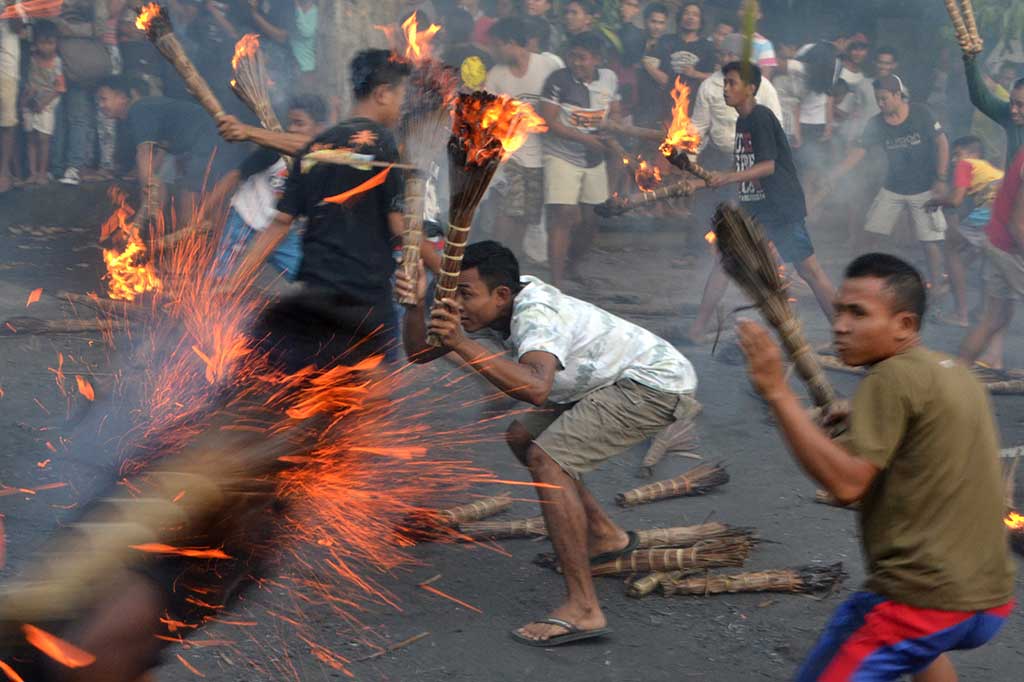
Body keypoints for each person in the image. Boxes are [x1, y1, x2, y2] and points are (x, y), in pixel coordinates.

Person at [396, 240, 699, 646]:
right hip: (610, 383)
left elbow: (537, 388)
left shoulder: (535, 314)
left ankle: (584, 608)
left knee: (548, 458)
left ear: (501, 294)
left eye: (465, 294)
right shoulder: (497, 304)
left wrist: (462, 343)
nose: (457, 304)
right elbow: (420, 353)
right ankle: (606, 537)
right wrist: (415, 305)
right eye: (452, 293)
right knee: (522, 436)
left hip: (654, 385)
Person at [737, 253, 1014, 682]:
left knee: (870, 641)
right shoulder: (950, 372)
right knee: (921, 654)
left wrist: (778, 392)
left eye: (858, 314)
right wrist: (860, 417)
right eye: (839, 311)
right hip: (988, 599)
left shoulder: (890, 379)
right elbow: (922, 436)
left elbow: (847, 485)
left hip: (921, 602)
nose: (841, 325)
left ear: (904, 325)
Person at [227, 49, 439, 366]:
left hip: (315, 299)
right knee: (369, 404)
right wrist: (445, 269)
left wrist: (233, 282)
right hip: (364, 303)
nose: (402, 106)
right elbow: (399, 227)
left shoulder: (315, 146)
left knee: (314, 397)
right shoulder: (382, 143)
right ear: (382, 94)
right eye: (401, 95)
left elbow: (278, 225)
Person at [688, 61, 835, 344]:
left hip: (779, 210)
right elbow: (749, 167)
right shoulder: (743, 120)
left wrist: (728, 177)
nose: (725, 89)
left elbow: (767, 166)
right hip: (756, 209)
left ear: (751, 88)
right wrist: (704, 182)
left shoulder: (760, 117)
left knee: (810, 272)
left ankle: (845, 336)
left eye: (732, 83)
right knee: (724, 262)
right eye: (725, 83)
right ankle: (697, 329)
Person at [825, 75, 950, 291]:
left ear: (898, 95)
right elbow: (859, 152)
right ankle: (864, 282)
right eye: (877, 100)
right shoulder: (876, 123)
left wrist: (941, 178)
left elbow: (943, 143)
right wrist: (835, 173)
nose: (881, 104)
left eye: (884, 99)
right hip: (893, 188)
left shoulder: (921, 113)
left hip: (925, 188)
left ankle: (938, 287)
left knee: (929, 242)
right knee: (871, 235)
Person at [208, 94, 329, 283]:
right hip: (244, 221)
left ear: (320, 129)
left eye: (299, 123)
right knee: (221, 279)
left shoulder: (325, 162)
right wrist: (203, 214)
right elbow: (234, 176)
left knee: (313, 278)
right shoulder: (274, 151)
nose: (291, 129)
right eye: (290, 122)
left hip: (281, 235)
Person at [96, 75, 242, 223]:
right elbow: (160, 151)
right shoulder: (148, 110)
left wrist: (147, 188)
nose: (100, 105)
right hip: (218, 142)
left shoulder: (138, 110)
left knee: (189, 197)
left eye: (103, 99)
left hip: (208, 142)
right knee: (205, 201)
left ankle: (188, 241)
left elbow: (144, 153)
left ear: (121, 97)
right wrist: (149, 182)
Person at [539, 31, 621, 288]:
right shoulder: (557, 80)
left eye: (582, 58)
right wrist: (585, 139)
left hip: (595, 159)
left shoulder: (609, 79)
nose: (576, 62)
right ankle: (556, 281)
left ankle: (572, 265)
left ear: (596, 59)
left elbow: (616, 112)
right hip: (561, 155)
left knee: (592, 218)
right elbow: (550, 121)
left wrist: (611, 128)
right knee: (563, 214)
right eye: (572, 56)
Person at [485, 17, 560, 256]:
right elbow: (487, 116)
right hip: (509, 155)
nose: (494, 50)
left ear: (511, 43)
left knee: (527, 215)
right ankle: (493, 259)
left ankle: (512, 262)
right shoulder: (496, 75)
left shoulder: (547, 65)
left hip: (540, 154)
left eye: (497, 44)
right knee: (509, 210)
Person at [925, 136, 1003, 329]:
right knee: (980, 254)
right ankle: (982, 311)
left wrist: (934, 201)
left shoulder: (966, 165)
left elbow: (956, 200)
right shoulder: (987, 169)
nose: (953, 161)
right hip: (1005, 215)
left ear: (972, 154)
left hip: (989, 212)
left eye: (956, 155)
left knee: (951, 248)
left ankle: (961, 314)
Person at [958, 144, 1024, 366]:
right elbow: (1019, 225)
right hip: (1011, 246)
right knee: (993, 317)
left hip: (996, 240)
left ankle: (955, 375)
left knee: (994, 318)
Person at [20, 20, 65, 187]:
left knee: (44, 138)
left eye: (50, 43)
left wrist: (44, 102)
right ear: (36, 43)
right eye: (42, 43)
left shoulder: (57, 62)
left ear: (56, 43)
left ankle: (42, 172)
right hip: (30, 101)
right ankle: (32, 173)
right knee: (30, 136)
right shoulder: (31, 59)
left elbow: (59, 88)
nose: (46, 47)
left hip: (48, 103)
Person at [650, 2, 715, 114]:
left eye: (695, 15)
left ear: (700, 22)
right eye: (687, 13)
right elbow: (652, 65)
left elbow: (713, 76)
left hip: (692, 104)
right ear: (680, 18)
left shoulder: (707, 46)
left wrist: (695, 74)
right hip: (662, 102)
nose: (690, 17)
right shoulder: (666, 40)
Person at [964, 52, 1024, 168]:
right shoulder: (1009, 115)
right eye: (1011, 103)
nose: (1013, 110)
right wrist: (970, 61)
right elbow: (980, 98)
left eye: (1020, 105)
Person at [633, 2, 670, 130]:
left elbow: (665, 80)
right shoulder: (634, 41)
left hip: (651, 106)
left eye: (661, 23)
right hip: (629, 102)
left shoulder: (666, 48)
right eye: (653, 21)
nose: (657, 27)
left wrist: (644, 63)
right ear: (645, 21)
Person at [0, 9, 25, 193]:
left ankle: (4, 172)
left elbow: (19, 28)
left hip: (6, 69)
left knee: (8, 122)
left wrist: (10, 6)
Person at [442, 8, 492, 91]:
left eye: (444, 27)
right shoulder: (485, 56)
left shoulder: (443, 60)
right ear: (471, 30)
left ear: (448, 32)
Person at [736, 0, 776, 80]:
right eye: (742, 8)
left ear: (759, 15)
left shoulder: (765, 45)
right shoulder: (729, 38)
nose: (746, 13)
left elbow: (764, 81)